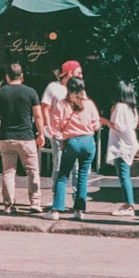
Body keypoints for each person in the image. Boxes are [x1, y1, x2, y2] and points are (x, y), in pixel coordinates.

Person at [0, 63, 45, 214]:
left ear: (7, 76)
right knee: (32, 170)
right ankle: (35, 202)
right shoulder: (31, 92)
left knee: (8, 171)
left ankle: (8, 204)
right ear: (22, 76)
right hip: (27, 137)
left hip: (7, 137)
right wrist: (41, 134)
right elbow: (38, 115)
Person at [45, 78, 100, 221]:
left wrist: (62, 133)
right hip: (88, 142)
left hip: (71, 142)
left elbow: (56, 124)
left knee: (63, 176)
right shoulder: (89, 104)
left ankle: (56, 210)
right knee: (82, 176)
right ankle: (79, 211)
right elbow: (96, 125)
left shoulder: (62, 104)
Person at [42, 60, 83, 193]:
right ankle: (57, 197)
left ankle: (76, 199)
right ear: (70, 73)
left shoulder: (78, 88)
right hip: (58, 133)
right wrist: (48, 127)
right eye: (78, 73)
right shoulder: (53, 87)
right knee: (58, 165)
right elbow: (45, 108)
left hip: (75, 133)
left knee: (76, 167)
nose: (81, 76)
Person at [106, 81, 139, 217]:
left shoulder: (119, 107)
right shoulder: (132, 108)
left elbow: (117, 125)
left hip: (121, 145)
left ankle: (129, 205)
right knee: (125, 175)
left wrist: (103, 121)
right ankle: (128, 204)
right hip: (129, 143)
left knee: (124, 176)